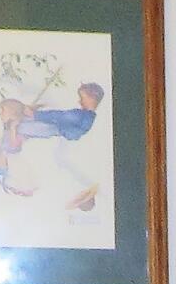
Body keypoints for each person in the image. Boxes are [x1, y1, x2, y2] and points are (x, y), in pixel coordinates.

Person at [12, 82, 106, 212]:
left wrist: (35, 115)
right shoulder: (87, 118)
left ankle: (18, 132)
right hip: (59, 135)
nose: (79, 101)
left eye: (82, 98)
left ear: (91, 98)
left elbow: (58, 116)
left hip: (57, 131)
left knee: (27, 128)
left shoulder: (80, 116)